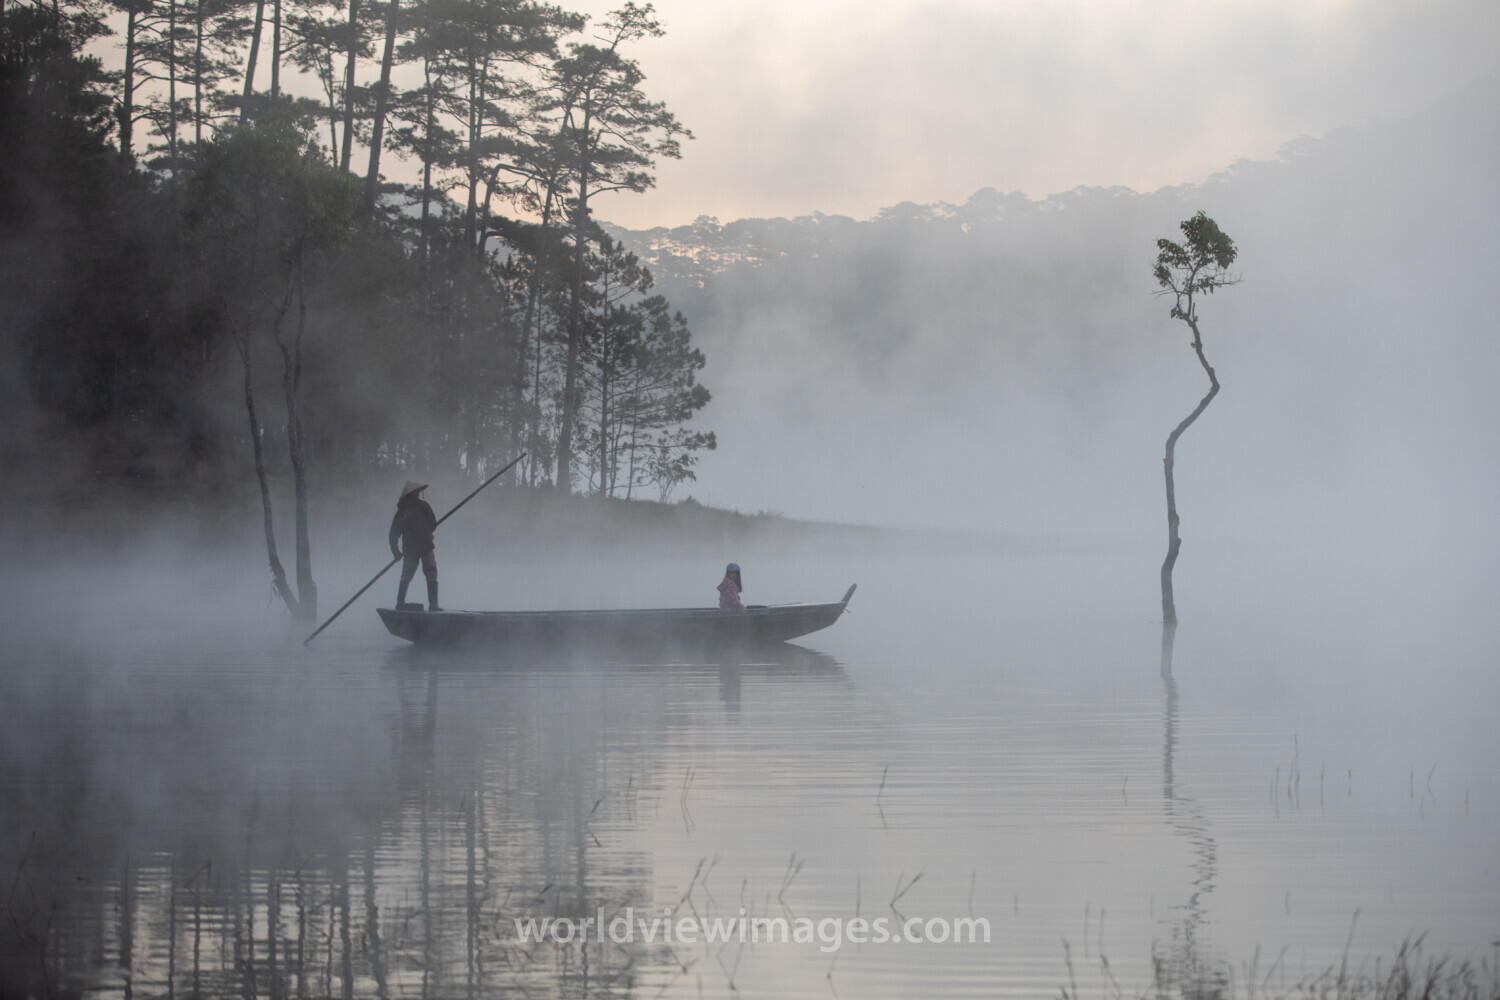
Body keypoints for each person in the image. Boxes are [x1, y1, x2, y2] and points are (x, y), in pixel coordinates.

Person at [390, 481, 441, 611]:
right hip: (424, 546)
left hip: (412, 549)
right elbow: (433, 525)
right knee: (431, 573)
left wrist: (396, 552)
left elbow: (393, 534)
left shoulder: (402, 511)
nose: (419, 493)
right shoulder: (423, 506)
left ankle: (400, 603)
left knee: (407, 574)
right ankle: (433, 605)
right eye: (418, 491)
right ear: (415, 493)